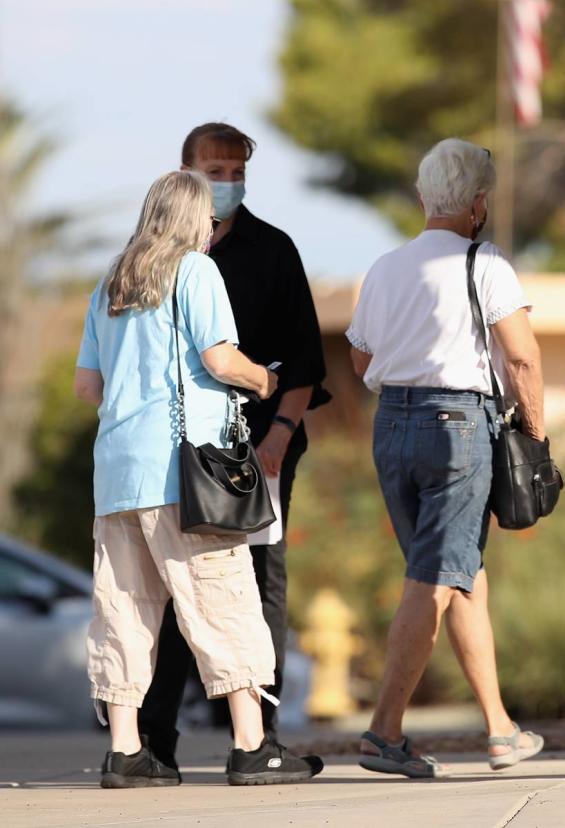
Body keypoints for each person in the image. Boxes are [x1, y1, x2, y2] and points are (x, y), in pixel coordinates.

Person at [74, 170, 321, 787]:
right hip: (185, 473)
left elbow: (88, 387)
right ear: (193, 221)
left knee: (124, 611)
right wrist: (265, 381)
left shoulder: (111, 282)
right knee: (223, 600)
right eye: (208, 220)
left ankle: (127, 752)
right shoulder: (195, 271)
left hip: (118, 476)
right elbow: (217, 358)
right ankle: (251, 745)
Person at [346, 138, 545, 777]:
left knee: (458, 574)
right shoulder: (485, 263)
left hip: (393, 425)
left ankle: (499, 729)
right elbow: (520, 357)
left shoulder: (384, 267)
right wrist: (536, 437)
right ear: (479, 203)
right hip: (457, 426)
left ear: (423, 197)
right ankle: (384, 731)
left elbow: (360, 359)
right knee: (436, 575)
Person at [138, 123, 329, 768]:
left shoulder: (274, 250)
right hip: (171, 448)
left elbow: (305, 363)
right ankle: (154, 740)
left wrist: (279, 434)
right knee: (166, 587)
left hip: (257, 453)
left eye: (235, 171)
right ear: (185, 171)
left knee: (261, 585)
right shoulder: (149, 259)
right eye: (213, 171)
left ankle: (257, 741)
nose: (226, 183)